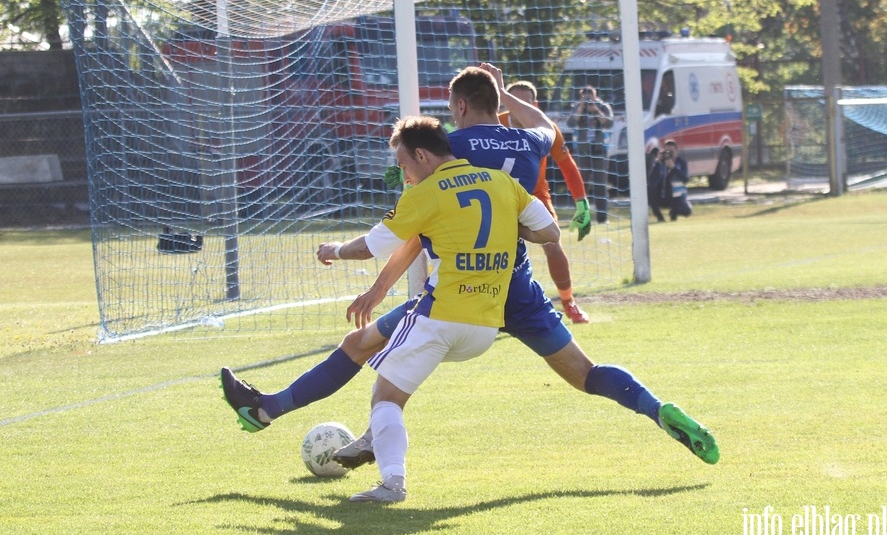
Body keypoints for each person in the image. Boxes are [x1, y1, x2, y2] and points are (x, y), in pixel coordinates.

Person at [219, 64, 719, 489]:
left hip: (459, 288)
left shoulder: (445, 151)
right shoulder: (528, 141)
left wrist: (376, 285)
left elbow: (414, 231)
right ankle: (657, 410)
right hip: (514, 282)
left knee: (363, 348)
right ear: (495, 99)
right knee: (586, 374)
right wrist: (505, 99)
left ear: (456, 108)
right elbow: (549, 128)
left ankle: (274, 413)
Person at [316, 116, 562, 502]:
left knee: (385, 398)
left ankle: (392, 483)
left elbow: (369, 247)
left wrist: (334, 250)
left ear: (421, 155)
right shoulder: (502, 183)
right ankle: (372, 448)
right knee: (385, 363)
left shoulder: (426, 193)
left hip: (440, 317)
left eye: (403, 165)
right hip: (484, 329)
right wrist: (509, 227)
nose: (404, 175)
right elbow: (550, 232)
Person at [499, 80, 591, 324]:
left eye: (523, 102)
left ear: (534, 105)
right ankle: (492, 307)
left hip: (536, 195)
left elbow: (567, 166)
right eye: (511, 100)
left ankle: (569, 302)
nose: (517, 107)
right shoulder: (493, 124)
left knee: (553, 242)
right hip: (498, 196)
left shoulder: (546, 128)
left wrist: (582, 203)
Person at [567, 86, 613, 223]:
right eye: (584, 96)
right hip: (583, 152)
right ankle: (581, 217)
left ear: (595, 95)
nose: (587, 99)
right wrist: (581, 109)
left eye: (590, 96)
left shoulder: (603, 107)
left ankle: (602, 218)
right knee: (581, 185)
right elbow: (571, 123)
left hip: (599, 151)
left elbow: (609, 123)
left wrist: (596, 111)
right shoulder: (577, 107)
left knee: (601, 185)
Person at [648, 140, 692, 223]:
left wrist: (673, 167)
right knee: (649, 189)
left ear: (676, 151)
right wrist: (657, 162)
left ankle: (673, 215)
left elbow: (685, 179)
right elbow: (651, 179)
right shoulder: (660, 163)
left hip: (677, 196)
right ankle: (660, 218)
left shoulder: (681, 162)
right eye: (667, 152)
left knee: (687, 211)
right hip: (663, 195)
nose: (669, 154)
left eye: (671, 151)